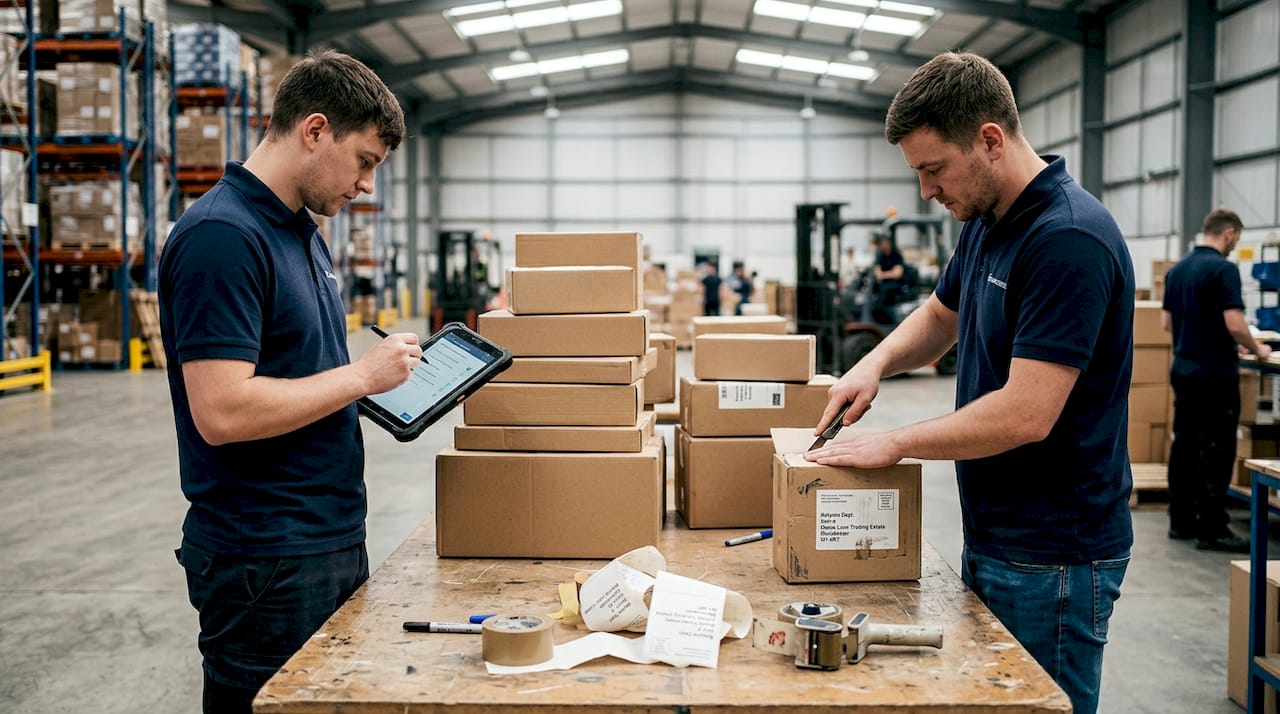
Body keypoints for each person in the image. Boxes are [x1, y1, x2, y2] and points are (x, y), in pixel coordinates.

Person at [805, 52, 1133, 714]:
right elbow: (938, 315)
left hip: (1055, 557)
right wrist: (872, 364)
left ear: (989, 140)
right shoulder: (988, 222)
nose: (927, 190)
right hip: (997, 534)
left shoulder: (1067, 239)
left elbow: (1025, 415)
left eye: (933, 169)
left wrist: (895, 443)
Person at [159, 50, 414, 714]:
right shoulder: (222, 236)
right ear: (315, 130)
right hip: (263, 560)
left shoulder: (301, 233)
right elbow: (222, 409)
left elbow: (303, 375)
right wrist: (360, 376)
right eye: (364, 161)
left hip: (323, 539)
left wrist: (385, 383)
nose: (365, 186)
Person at [1162, 208, 1270, 552]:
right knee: (1217, 450)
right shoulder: (1224, 270)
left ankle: (1181, 522)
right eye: (1235, 240)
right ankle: (1212, 529)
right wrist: (1257, 349)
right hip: (1214, 374)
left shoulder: (1177, 270)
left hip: (1184, 369)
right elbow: (1235, 324)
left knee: (1185, 447)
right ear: (1229, 234)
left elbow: (1167, 324)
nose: (1235, 246)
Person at [871, 233, 905, 307]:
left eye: (885, 243)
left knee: (886, 290)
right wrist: (889, 273)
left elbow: (897, 274)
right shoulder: (880, 255)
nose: (883, 245)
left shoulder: (896, 255)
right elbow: (877, 273)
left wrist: (883, 274)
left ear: (889, 243)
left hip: (896, 284)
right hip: (883, 284)